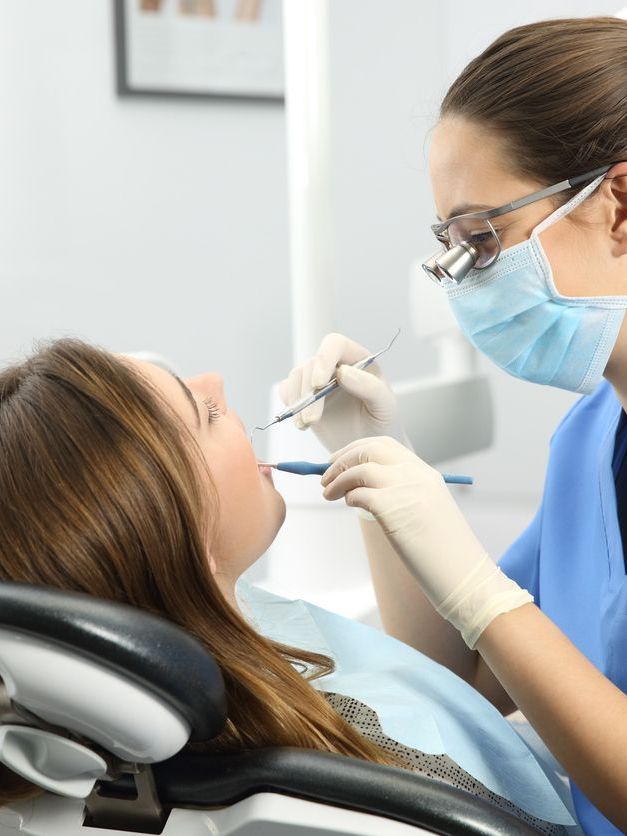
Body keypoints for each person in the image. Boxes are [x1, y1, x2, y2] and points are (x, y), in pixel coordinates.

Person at [279, 16, 627, 835]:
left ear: (617, 205)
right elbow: (463, 671)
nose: (460, 280)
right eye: (449, 245)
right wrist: (377, 459)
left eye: (482, 238)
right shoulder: (587, 439)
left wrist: (479, 588)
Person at [0, 338, 572, 833]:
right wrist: (479, 594)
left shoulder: (145, 681)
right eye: (206, 413)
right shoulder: (387, 776)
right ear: (188, 536)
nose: (216, 381)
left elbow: (436, 690)